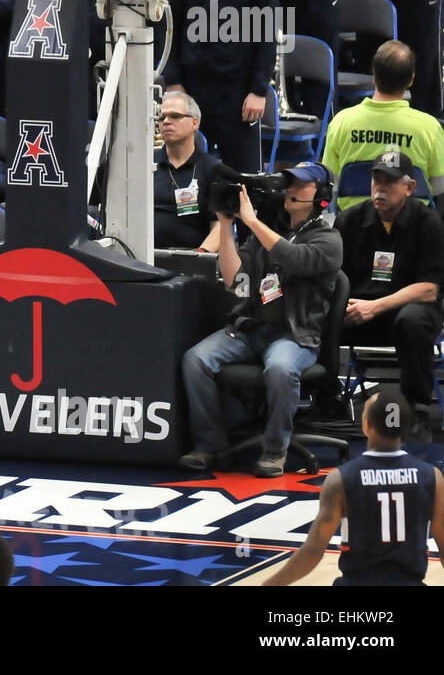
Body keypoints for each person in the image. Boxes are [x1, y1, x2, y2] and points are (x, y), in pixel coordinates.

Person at [179, 162, 343, 478]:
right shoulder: (266, 232)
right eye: (290, 183)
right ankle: (209, 445)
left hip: (295, 336)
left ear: (321, 195)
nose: (292, 190)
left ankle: (275, 450)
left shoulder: (329, 239)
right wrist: (226, 227)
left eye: (302, 185)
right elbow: (234, 281)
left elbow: (295, 260)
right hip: (251, 328)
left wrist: (252, 222)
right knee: (195, 360)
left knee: (281, 368)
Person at [263, 389, 444, 585]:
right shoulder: (431, 477)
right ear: (406, 427)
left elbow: (313, 552)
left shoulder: (340, 479)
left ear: (366, 425)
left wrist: (270, 584)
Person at [163, 0, 279, 171]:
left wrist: (258, 90)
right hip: (191, 88)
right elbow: (168, 31)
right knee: (185, 173)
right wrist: (174, 82)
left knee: (243, 178)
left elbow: (265, 37)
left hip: (238, 95)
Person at [335, 148, 444, 419]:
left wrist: (375, 306)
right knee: (319, 313)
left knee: (413, 320)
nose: (380, 189)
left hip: (408, 308)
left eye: (390, 182)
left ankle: (416, 409)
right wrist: (342, 305)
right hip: (358, 311)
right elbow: (333, 277)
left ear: (409, 187)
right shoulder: (349, 220)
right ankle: (324, 399)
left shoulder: (428, 223)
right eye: (377, 181)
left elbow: (429, 289)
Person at [322, 41, 444, 207]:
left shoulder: (341, 122)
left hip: (355, 227)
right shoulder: (429, 127)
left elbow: (332, 181)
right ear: (411, 80)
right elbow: (438, 187)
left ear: (374, 75)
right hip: (411, 227)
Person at [153, 91, 221, 250]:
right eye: (162, 118)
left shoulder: (213, 170)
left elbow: (220, 228)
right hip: (141, 258)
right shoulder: (144, 163)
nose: (166, 122)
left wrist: (199, 256)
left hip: (190, 259)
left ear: (195, 123)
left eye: (175, 116)